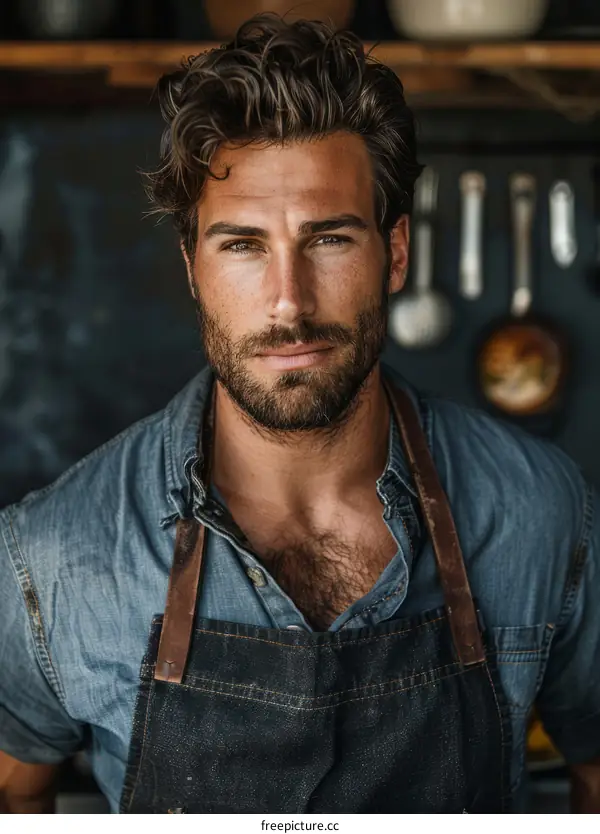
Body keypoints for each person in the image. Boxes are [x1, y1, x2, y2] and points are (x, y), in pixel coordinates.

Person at [0, 14, 599, 815]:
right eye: (243, 245)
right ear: (192, 266)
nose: (289, 301)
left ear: (395, 252)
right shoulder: (54, 558)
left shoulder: (538, 514)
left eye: (329, 238)